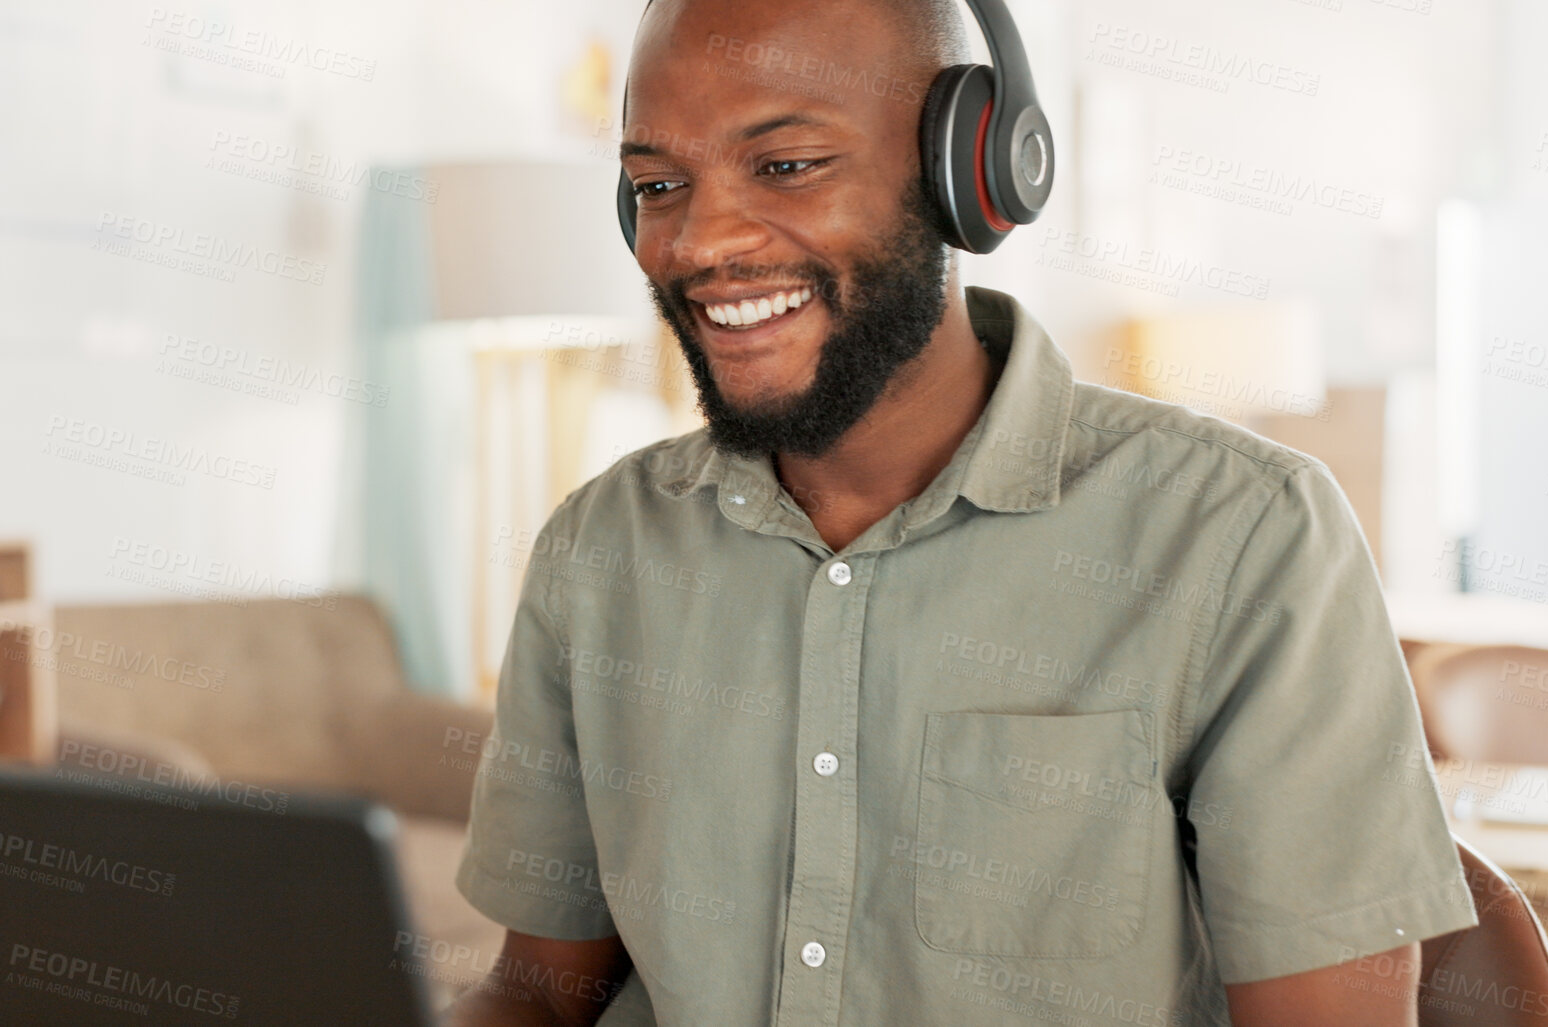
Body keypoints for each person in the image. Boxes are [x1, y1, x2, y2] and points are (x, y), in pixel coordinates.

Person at [446, 0, 1478, 1023]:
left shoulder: (1241, 539)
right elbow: (534, 999)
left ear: (969, 168)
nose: (702, 240)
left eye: (787, 165)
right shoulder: (602, 549)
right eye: (659, 185)